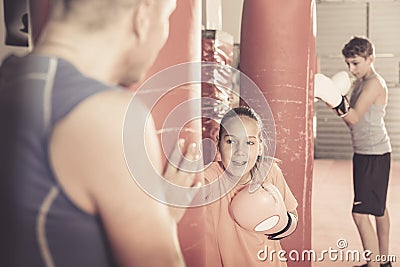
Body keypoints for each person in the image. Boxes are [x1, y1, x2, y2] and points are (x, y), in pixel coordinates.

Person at [0, 0, 200, 266]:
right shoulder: (107, 118)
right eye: (167, 17)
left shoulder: (9, 78)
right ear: (143, 15)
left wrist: (152, 218)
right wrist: (163, 229)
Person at [204, 106, 298, 267]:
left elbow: (293, 217)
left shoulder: (270, 172)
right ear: (218, 143)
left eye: (249, 142)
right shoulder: (208, 179)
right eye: (231, 141)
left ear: (260, 146)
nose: (240, 151)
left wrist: (280, 221)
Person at [341, 36, 392, 267]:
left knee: (360, 213)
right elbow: (349, 118)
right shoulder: (360, 82)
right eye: (348, 64)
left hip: (374, 154)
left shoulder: (373, 83)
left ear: (370, 58)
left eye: (356, 63)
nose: (351, 69)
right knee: (379, 210)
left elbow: (352, 117)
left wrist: (333, 100)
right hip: (366, 153)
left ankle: (374, 265)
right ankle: (384, 261)